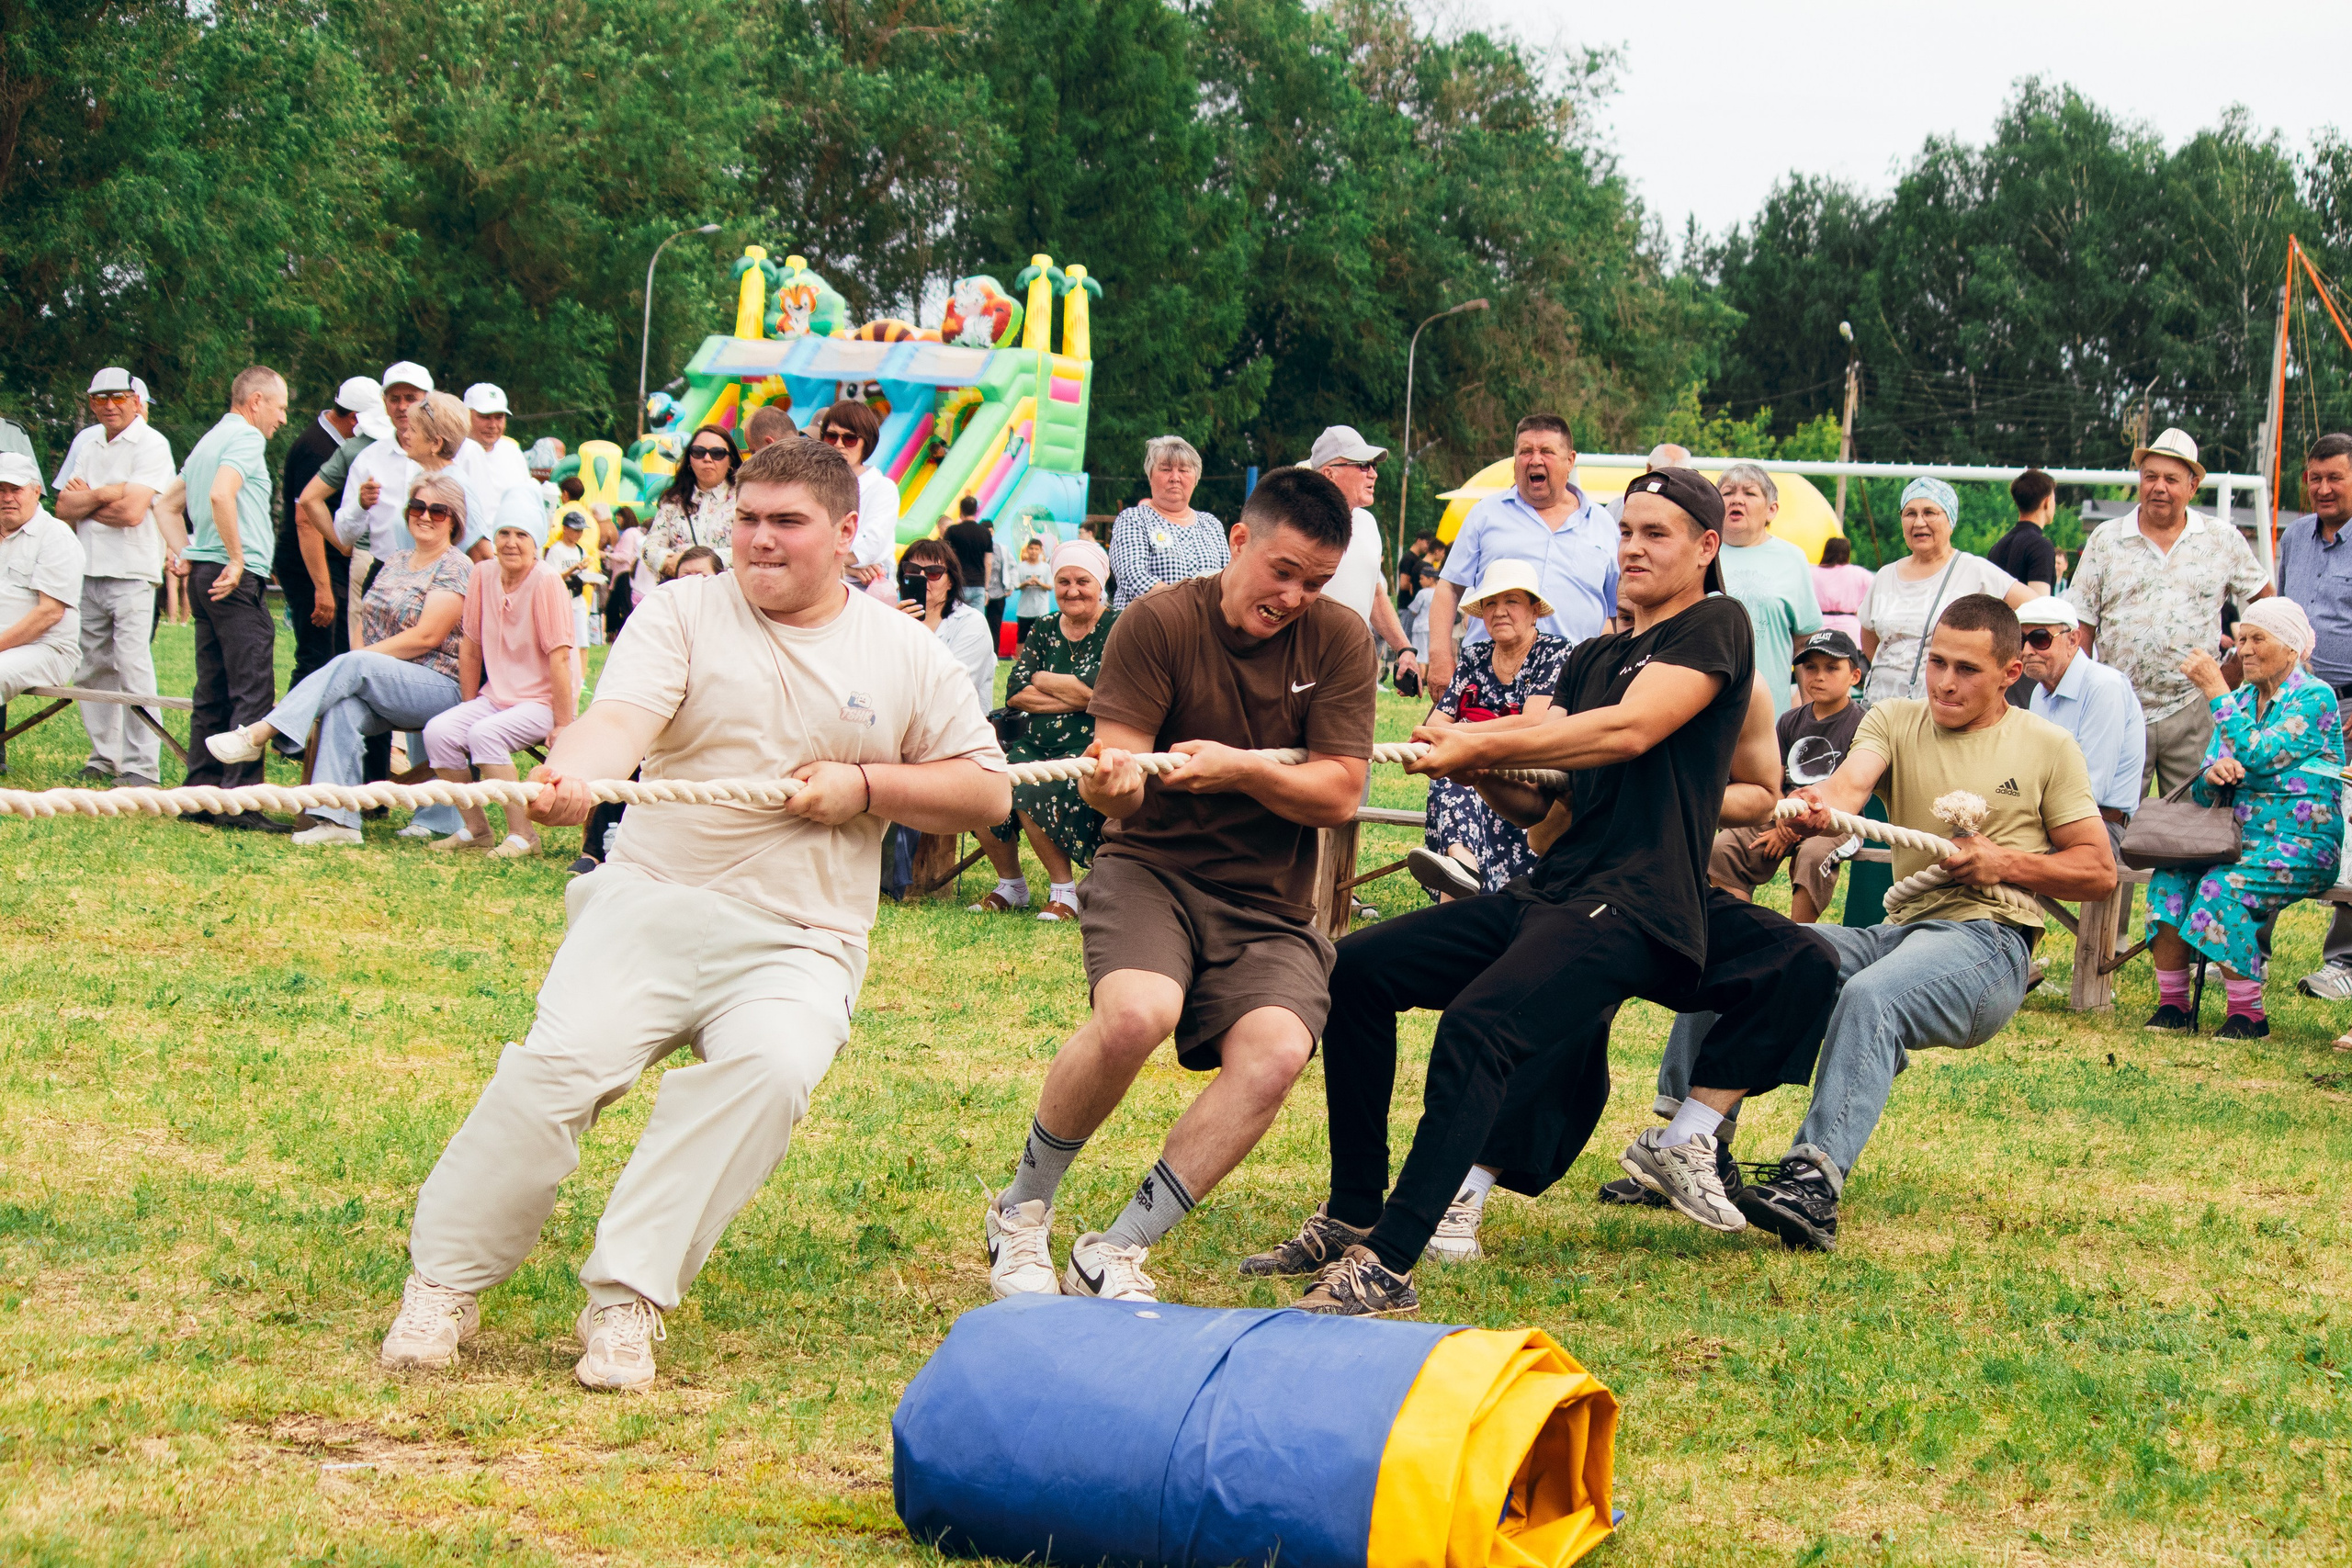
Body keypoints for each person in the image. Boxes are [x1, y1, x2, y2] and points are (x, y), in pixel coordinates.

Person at [378, 436, 1009, 1392]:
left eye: (786, 523)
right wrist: (574, 772)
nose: (758, 539)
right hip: (653, 903)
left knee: (771, 1070)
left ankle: (628, 1298)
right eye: (748, 518)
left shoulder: (905, 653)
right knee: (552, 1070)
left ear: (845, 535)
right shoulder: (680, 612)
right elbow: (618, 721)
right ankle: (443, 1284)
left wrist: (866, 784)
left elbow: (986, 793)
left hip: (802, 939)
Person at [1247, 468, 1754, 1316]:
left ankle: (1391, 1264)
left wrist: (1479, 741)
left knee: (1481, 1026)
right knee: (1356, 971)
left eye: (1656, 533)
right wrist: (1469, 758)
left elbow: (1630, 732)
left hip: (1638, 904)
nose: (1632, 545)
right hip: (1555, 886)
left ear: (1706, 548)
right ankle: (1354, 1212)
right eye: (1626, 529)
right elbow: (1543, 793)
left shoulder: (1716, 626)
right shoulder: (1597, 656)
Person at [983, 468, 1373, 1306]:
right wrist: (1114, 782)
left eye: (1317, 582)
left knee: (1276, 1052)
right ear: (1239, 542)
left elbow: (1341, 791)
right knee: (1136, 1014)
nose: (1297, 595)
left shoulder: (1340, 639)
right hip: (1150, 867)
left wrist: (1233, 768)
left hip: (1270, 900)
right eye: (1284, 571)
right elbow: (1116, 781)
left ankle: (1115, 1248)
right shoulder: (1157, 623)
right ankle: (1020, 1212)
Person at [1724, 596, 2110, 1252]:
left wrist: (2004, 861)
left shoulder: (2048, 745)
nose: (1945, 681)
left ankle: (1813, 1184)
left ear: (2009, 672)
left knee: (1871, 995)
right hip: (1896, 931)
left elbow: (2098, 869)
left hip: (1989, 944)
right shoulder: (1895, 719)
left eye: (1966, 668)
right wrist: (1818, 808)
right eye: (1937, 661)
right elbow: (1850, 790)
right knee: (1755, 949)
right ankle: (1687, 1144)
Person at [203, 474, 474, 846]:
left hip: (440, 686)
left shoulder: (456, 566)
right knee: (344, 706)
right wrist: (360, 660)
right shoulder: (395, 561)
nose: (424, 516)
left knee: (353, 665)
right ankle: (338, 821)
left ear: (454, 520)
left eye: (437, 511)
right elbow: (367, 618)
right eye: (417, 507)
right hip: (386, 682)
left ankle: (262, 731)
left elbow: (428, 636)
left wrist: (359, 660)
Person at [2143, 600, 2343, 1040]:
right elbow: (2200, 788)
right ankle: (2173, 1006)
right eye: (2241, 640)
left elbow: (2262, 755)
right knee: (2169, 878)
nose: (2244, 650)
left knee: (2223, 886)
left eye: (2258, 639)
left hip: (2303, 842)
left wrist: (2215, 690)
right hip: (2236, 837)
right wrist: (2213, 777)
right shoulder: (2240, 701)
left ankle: (2248, 1016)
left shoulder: (2314, 697)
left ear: (2292, 649)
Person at [2065, 427, 2272, 796]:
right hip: (2119, 705)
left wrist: (2232, 674)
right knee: (2113, 817)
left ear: (2193, 488)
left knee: (2193, 820)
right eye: (2150, 477)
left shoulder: (2222, 539)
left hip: (2195, 707)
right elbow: (2081, 625)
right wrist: (2087, 693)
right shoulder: (2106, 538)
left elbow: (2268, 607)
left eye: (2172, 479)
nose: (2159, 487)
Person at [422, 488, 582, 858]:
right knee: (440, 732)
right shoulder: (481, 574)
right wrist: (466, 704)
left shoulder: (546, 581)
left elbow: (560, 659)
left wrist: (563, 724)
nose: (511, 543)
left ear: (537, 541)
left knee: (484, 735)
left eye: (522, 535)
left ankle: (523, 835)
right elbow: (471, 644)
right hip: (496, 698)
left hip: (541, 703)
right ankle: (476, 830)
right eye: (504, 533)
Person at [169, 367, 292, 830]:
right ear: (256, 401)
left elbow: (166, 504)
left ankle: (200, 795)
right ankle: (240, 802)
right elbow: (223, 494)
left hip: (205, 574)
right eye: (280, 407)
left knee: (213, 690)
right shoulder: (246, 438)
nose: (281, 418)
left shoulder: (207, 440)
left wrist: (186, 552)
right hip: (232, 578)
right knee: (252, 688)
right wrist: (237, 559)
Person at [970, 538, 1117, 920]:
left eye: (1082, 581)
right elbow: (1017, 692)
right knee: (981, 781)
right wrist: (1078, 691)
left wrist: (1044, 677)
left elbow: (1107, 694)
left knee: (1029, 788)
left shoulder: (1118, 628)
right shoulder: (1044, 626)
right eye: (1063, 581)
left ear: (1100, 583)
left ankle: (1064, 892)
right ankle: (1011, 885)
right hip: (1031, 743)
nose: (1072, 590)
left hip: (1087, 749)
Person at [1405, 560, 1570, 901]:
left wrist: (1464, 733)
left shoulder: (1553, 651)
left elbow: (1535, 720)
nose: (1499, 612)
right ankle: (1461, 866)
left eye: (1511, 601)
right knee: (1454, 766)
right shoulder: (1474, 655)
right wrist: (1461, 740)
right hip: (1472, 775)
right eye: (1490, 603)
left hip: (1526, 779)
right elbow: (1435, 726)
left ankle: (1461, 873)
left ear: (1534, 610)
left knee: (1460, 759)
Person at [1427, 413, 1617, 697]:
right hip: (1488, 682)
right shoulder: (1485, 514)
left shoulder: (1603, 524)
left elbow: (1615, 611)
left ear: (1570, 460)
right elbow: (1448, 588)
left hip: (1574, 684)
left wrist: (1610, 672)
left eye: (1547, 451)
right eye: (1525, 451)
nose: (1535, 459)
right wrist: (1440, 655)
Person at [50, 367, 175, 787]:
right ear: (90, 403)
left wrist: (88, 499)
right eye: (100, 398)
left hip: (134, 572)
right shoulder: (89, 442)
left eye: (119, 397)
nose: (109, 405)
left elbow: (133, 513)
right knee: (92, 668)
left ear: (137, 401)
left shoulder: (152, 443)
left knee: (133, 666)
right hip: (87, 568)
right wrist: (108, 491)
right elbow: (63, 508)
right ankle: (105, 758)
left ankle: (143, 768)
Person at [1704, 629, 1871, 922]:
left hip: (1837, 820)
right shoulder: (1789, 720)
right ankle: (1741, 931)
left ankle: (1799, 933)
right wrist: (1785, 821)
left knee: (1813, 855)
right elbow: (1774, 779)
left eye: (1832, 668)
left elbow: (1853, 791)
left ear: (1855, 676)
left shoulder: (1864, 724)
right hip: (1784, 810)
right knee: (1724, 848)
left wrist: (1793, 829)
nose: (1819, 676)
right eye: (1810, 667)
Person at [2266, 434, 2352, 1000]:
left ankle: (2343, 963)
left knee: (2350, 829)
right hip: (2294, 700)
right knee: (2269, 812)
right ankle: (2248, 947)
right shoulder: (2294, 536)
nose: (2321, 488)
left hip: (2350, 705)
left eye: (2334, 478)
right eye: (2314, 478)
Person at [1858, 476, 2032, 704]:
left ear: (1950, 521)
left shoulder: (1975, 571)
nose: (1919, 522)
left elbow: (2036, 607)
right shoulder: (1885, 575)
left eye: (1930, 512)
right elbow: (1870, 640)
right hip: (1879, 708)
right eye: (1910, 513)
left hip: (1943, 709)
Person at [2016, 596, 2144, 866]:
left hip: (2099, 830)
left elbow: (2091, 788)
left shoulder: (2104, 687)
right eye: (2020, 640)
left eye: (2040, 638)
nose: (2027, 650)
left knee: (1994, 857)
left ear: (2073, 640)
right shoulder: (2041, 692)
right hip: (2049, 821)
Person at [276, 378, 379, 689]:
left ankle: (315, 738)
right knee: (317, 656)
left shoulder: (334, 442)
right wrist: (322, 589)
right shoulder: (317, 449)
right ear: (354, 419)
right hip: (308, 563)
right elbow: (305, 520)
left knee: (336, 654)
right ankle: (288, 737)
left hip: (328, 561)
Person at [1309, 425, 1422, 691]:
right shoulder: (1299, 524)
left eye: (1373, 465)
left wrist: (1404, 648)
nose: (1373, 473)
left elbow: (1374, 593)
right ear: (1329, 473)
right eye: (1363, 465)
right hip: (1303, 667)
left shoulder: (1367, 524)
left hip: (1353, 665)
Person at [1715, 462, 1823, 706]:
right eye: (1728, 492)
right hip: (1704, 709)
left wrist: (1808, 715)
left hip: (1771, 710)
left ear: (1771, 510)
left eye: (1749, 493)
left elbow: (1805, 644)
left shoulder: (1792, 558)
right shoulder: (1700, 552)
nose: (1737, 500)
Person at [0, 453, 85, 705]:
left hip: (48, 649)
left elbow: (49, 613)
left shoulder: (55, 536)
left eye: (16, 489)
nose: (7, 498)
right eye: (0, 489)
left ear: (36, 491)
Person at [1108, 434, 1227, 609]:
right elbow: (1133, 577)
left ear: (1196, 479)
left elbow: (1228, 579)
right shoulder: (1133, 519)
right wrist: (1189, 608)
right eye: (1165, 469)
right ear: (1150, 476)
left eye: (1184, 470)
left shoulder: (1211, 525)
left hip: (1204, 630)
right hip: (1145, 626)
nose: (1175, 477)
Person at [897, 536, 993, 711]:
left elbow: (950, 692)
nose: (922, 577)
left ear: (951, 581)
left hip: (956, 731)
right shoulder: (894, 622)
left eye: (933, 572)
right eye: (912, 570)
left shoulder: (971, 624)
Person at [815, 401, 898, 595]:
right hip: (825, 588)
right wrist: (847, 567)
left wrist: (820, 557)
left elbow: (869, 547)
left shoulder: (881, 488)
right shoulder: (815, 485)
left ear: (866, 442)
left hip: (868, 591)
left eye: (850, 439)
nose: (838, 445)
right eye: (831, 437)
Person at [645, 424, 738, 575]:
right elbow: (649, 547)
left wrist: (703, 562)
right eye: (698, 452)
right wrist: (668, 561)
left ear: (730, 461)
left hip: (725, 591)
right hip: (680, 590)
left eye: (717, 453)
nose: (707, 459)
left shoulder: (743, 500)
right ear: (689, 459)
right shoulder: (673, 500)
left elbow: (750, 551)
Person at [1987, 468, 2059, 598]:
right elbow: (2039, 605)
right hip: (2024, 618)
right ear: (2047, 502)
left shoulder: (1997, 547)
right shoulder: (2040, 547)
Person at [462, 384, 533, 499]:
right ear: (466, 415)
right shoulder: (454, 454)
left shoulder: (513, 452)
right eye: (484, 417)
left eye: (499, 417)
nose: (493, 425)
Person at [544, 507, 595, 653]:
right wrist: (572, 569)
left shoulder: (580, 550)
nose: (579, 534)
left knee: (582, 643)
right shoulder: (556, 550)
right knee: (562, 642)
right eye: (576, 530)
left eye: (581, 530)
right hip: (561, 600)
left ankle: (581, 676)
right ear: (565, 529)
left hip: (577, 599)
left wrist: (590, 580)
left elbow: (584, 575)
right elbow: (552, 578)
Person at [943, 494, 998, 626]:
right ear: (976, 510)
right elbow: (988, 562)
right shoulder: (985, 533)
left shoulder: (952, 531)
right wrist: (986, 588)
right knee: (976, 624)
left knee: (953, 623)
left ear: (960, 510)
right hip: (978, 585)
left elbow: (945, 557)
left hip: (957, 585)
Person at [1811, 535, 1872, 638]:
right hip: (1850, 628)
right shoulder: (1859, 573)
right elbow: (1877, 594)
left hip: (1819, 627)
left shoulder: (1811, 573)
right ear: (1847, 553)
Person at [1007, 536, 1055, 646]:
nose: (1033, 552)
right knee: (1022, 638)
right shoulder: (1021, 567)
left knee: (1041, 638)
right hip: (1024, 610)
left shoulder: (1045, 567)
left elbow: (1050, 586)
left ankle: (1040, 661)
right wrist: (1027, 583)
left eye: (1036, 549)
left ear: (1041, 551)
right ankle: (1019, 660)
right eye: (1031, 549)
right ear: (1027, 550)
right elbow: (1016, 585)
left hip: (1041, 609)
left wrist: (1038, 582)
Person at [605, 505, 643, 636]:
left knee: (618, 607)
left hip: (624, 574)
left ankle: (619, 633)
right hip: (631, 574)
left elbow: (625, 556)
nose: (617, 522)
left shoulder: (628, 533)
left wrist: (606, 555)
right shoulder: (637, 533)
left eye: (619, 518)